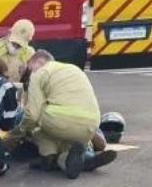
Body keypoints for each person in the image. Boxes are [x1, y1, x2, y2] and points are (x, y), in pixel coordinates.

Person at [16, 50, 113, 179]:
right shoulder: (74, 68)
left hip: (60, 122)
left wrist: (18, 132)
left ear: (38, 62)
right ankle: (85, 158)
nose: (28, 75)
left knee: (36, 119)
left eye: (29, 68)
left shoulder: (39, 73)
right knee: (68, 136)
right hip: (92, 124)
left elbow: (32, 115)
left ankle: (48, 157)